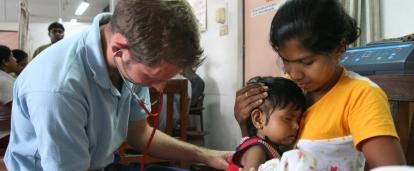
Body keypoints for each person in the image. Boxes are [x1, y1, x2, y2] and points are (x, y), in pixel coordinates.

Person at [4, 0, 231, 170]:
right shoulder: (59, 89)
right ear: (118, 50)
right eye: (153, 78)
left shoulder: (131, 56)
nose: (160, 88)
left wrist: (206, 155)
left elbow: (138, 132)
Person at [234, 0, 406, 170]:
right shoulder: (286, 89)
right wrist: (245, 123)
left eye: (307, 62)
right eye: (286, 60)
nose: (294, 73)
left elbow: (390, 168)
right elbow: (265, 150)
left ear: (338, 48)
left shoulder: (360, 96)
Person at [228, 76, 307, 171]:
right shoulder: (257, 149)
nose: (296, 126)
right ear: (258, 119)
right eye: (288, 118)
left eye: (298, 120)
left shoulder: (269, 147)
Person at [0, 45, 17, 116]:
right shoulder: (3, 80)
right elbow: (16, 106)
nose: (15, 59)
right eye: (12, 56)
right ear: (5, 62)